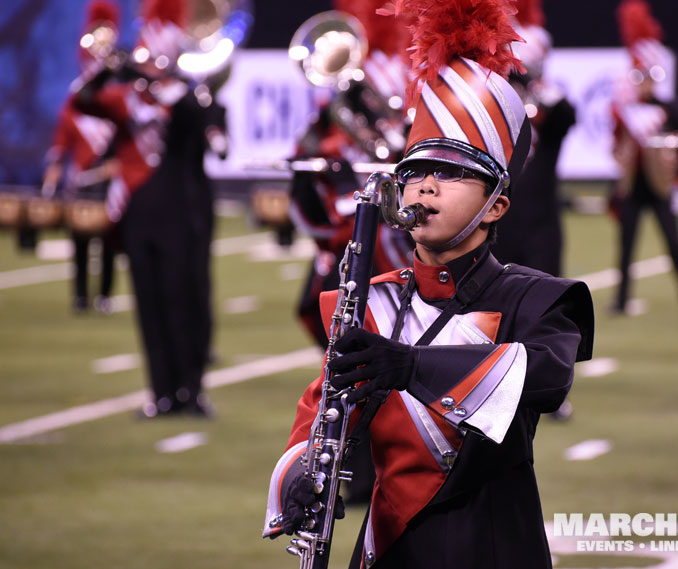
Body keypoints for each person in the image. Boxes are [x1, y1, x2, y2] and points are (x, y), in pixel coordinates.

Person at [263, 2, 595, 568]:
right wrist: (297, 471)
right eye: (416, 171)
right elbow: (321, 407)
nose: (427, 187)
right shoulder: (374, 299)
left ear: (497, 206)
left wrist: (412, 368)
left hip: (494, 547)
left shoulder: (535, 298)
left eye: (455, 173)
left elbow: (543, 380)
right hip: (386, 550)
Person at [72, 0, 227, 418]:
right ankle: (161, 393)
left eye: (160, 56)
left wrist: (173, 85)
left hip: (184, 216)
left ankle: (191, 392)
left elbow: (204, 122)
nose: (153, 63)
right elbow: (83, 100)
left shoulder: (187, 98)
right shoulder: (128, 102)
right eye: (148, 55)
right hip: (140, 216)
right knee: (150, 304)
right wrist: (111, 66)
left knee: (187, 301)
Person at [289, 0, 414, 348]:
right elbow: (306, 177)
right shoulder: (330, 124)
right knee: (320, 310)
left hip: (393, 237)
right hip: (350, 234)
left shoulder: (398, 119)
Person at [609, 0, 678, 316]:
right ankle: (621, 301)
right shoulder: (624, 110)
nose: (644, 83)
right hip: (632, 187)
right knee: (625, 249)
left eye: (649, 77)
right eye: (639, 77)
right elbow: (615, 142)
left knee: (675, 244)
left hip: (660, 186)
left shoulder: (668, 109)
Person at [42, 0, 121, 315]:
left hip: (109, 177)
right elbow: (62, 138)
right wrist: (55, 167)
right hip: (82, 176)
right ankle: (79, 296)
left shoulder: (118, 97)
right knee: (79, 239)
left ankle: (104, 294)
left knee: (108, 240)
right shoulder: (75, 102)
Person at [491, 0, 576, 278]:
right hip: (498, 230)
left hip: (541, 229)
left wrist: (532, 81)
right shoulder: (492, 110)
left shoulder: (550, 115)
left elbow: (567, 115)